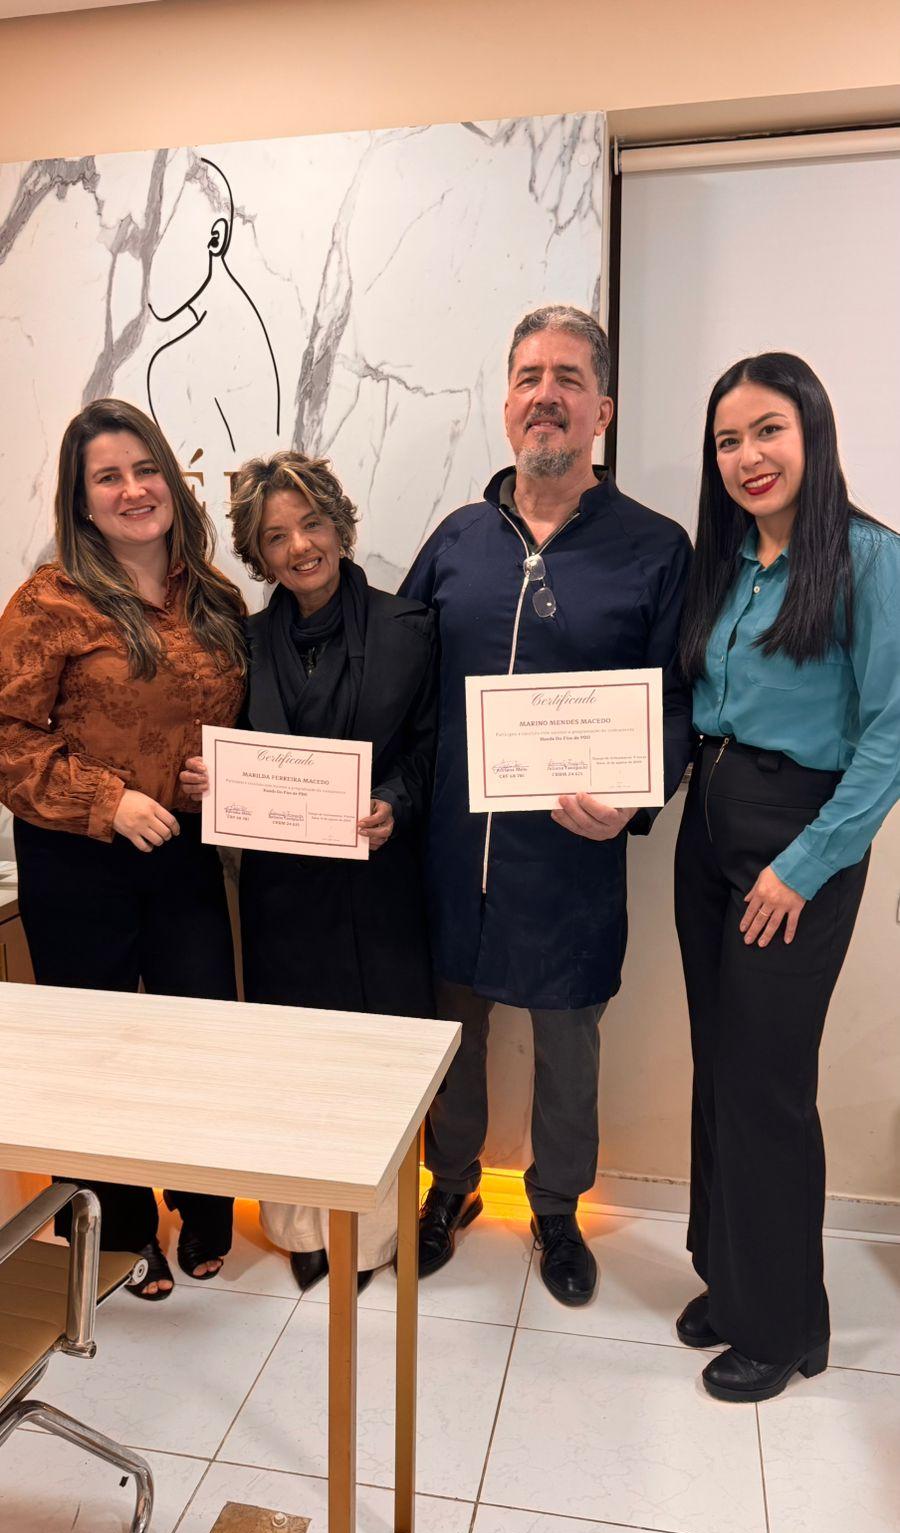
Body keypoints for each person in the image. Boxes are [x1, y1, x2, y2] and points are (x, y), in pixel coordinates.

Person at [400, 304, 693, 1306]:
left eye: (569, 378)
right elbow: (401, 681)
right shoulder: (458, 540)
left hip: (572, 860)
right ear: (506, 403)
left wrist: (635, 798)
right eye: (529, 376)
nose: (547, 395)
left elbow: (680, 702)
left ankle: (559, 1208)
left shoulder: (655, 548)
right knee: (454, 1036)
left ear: (603, 408)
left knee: (570, 1044)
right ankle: (449, 1186)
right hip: (454, 852)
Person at [673, 352, 900, 1402]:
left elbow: (890, 738)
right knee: (720, 1066)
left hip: (798, 842)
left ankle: (784, 1327)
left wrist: (802, 867)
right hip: (709, 826)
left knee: (767, 1082)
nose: (748, 456)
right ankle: (736, 1283)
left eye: (768, 430)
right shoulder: (725, 561)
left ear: (813, 431)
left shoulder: (868, 559)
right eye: (729, 440)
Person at [0, 397, 247, 1300]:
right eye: (109, 477)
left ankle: (204, 1205)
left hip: (182, 855)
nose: (134, 489)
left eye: (146, 470)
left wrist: (223, 775)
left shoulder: (215, 598)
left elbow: (234, 722)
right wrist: (109, 800)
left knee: (196, 1035)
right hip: (77, 860)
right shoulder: (48, 602)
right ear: (83, 500)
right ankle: (117, 1228)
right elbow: (6, 737)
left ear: (172, 482)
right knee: (96, 1054)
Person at [181, 451, 436, 1293]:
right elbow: (223, 747)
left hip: (379, 880)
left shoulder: (409, 627)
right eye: (276, 536)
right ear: (258, 554)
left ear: (339, 524)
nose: (299, 547)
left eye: (311, 523)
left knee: (377, 1059)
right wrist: (211, 781)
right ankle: (299, 1226)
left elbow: (430, 749)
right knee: (291, 1060)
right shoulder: (242, 645)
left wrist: (394, 802)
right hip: (281, 893)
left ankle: (371, 1234)